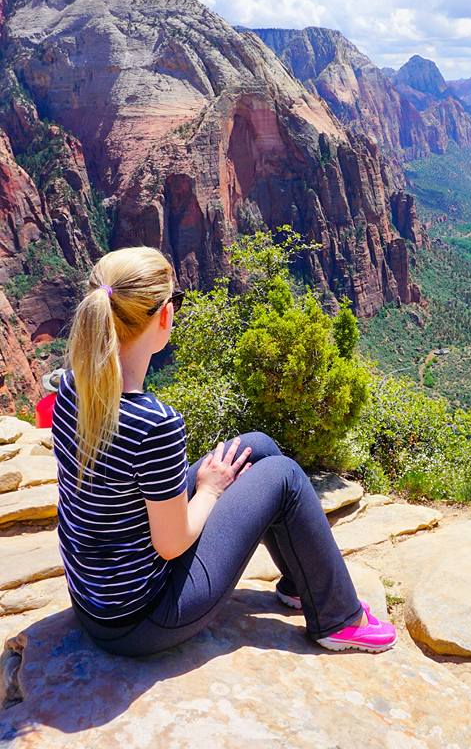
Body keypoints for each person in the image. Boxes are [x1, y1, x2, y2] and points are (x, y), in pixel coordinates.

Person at [51, 245, 396, 658]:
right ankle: (341, 620)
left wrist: (206, 486)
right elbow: (172, 545)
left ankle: (303, 585)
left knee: (256, 448)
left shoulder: (73, 385)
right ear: (164, 315)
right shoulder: (156, 423)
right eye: (175, 300)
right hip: (142, 619)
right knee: (283, 476)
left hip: (95, 598)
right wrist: (210, 490)